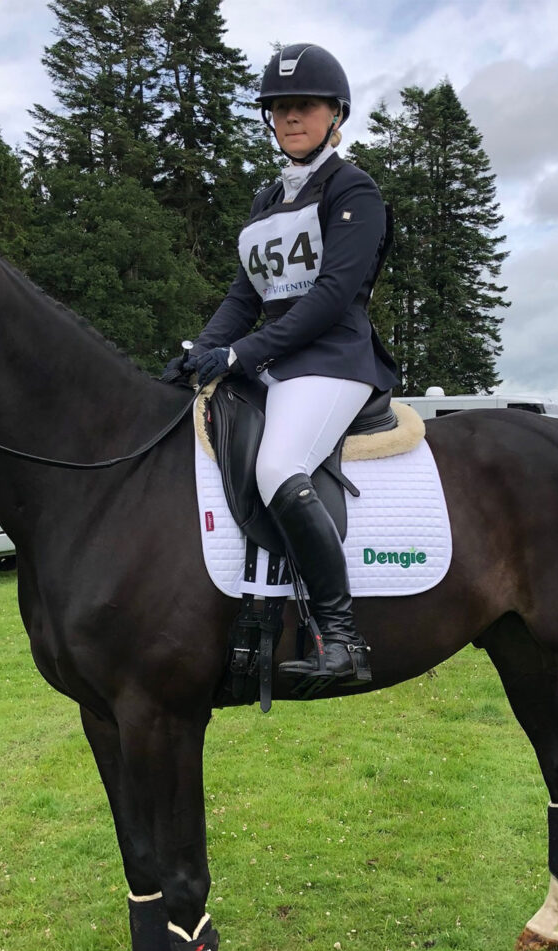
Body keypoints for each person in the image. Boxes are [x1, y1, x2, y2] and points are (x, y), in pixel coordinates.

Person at [170, 42, 398, 695]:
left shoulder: (354, 189)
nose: (290, 117)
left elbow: (331, 297)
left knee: (277, 466)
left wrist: (239, 355)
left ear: (335, 114)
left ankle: (343, 639)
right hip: (277, 362)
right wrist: (199, 352)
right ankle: (247, 612)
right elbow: (246, 299)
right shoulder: (268, 199)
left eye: (304, 106)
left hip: (333, 358)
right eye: (278, 108)